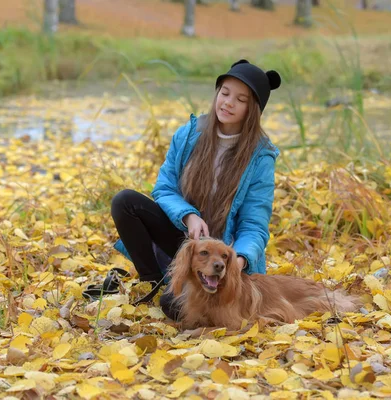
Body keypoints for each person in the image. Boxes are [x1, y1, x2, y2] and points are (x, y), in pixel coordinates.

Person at [110, 59, 281, 320]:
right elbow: (164, 188)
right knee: (125, 202)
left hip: (222, 254)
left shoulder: (260, 157)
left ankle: (175, 292)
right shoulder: (190, 134)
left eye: (240, 99)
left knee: (173, 309)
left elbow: (254, 225)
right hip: (184, 238)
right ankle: (154, 281)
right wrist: (189, 216)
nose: (228, 103)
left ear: (253, 109)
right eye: (224, 93)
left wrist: (237, 260)